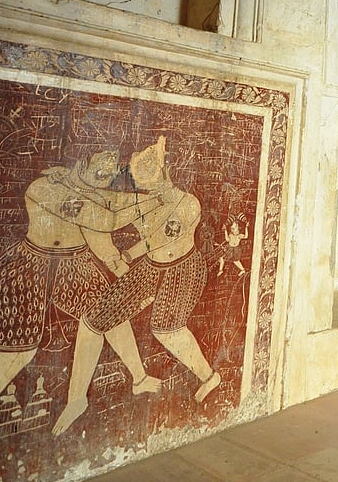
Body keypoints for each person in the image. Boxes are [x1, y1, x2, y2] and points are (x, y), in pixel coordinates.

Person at [0, 151, 163, 469]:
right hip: (29, 266)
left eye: (110, 175)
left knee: (107, 313)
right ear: (80, 163)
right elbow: (106, 218)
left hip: (75, 264)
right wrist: (155, 201)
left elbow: (109, 221)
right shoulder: (45, 188)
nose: (105, 180)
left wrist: (126, 268)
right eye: (100, 172)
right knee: (13, 355)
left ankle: (120, 384)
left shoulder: (91, 192)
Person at [54, 136, 219, 435]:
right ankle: (76, 400)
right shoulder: (144, 201)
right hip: (152, 267)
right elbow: (139, 232)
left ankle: (208, 377)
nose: (146, 186)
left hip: (184, 268)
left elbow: (167, 235)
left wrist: (148, 204)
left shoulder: (188, 204)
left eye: (152, 178)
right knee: (94, 319)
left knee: (166, 328)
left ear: (167, 173)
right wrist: (129, 251)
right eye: (142, 181)